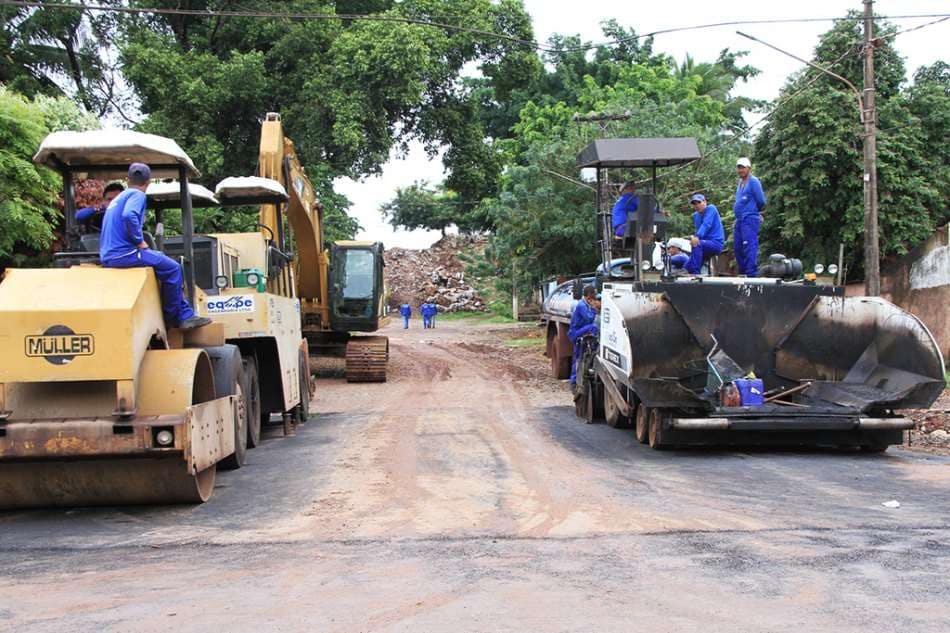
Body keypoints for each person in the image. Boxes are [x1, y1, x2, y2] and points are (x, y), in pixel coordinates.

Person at [99, 163, 210, 330]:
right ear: (149, 181)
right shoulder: (137, 195)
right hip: (123, 254)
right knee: (173, 268)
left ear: (128, 179)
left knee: (159, 258)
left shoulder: (117, 199)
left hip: (110, 254)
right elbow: (129, 216)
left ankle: (182, 313)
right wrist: (139, 241)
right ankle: (175, 318)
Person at [733, 157, 767, 276]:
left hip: (749, 219)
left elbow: (761, 200)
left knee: (749, 245)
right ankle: (743, 272)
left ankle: (751, 274)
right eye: (739, 167)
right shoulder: (740, 183)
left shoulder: (753, 181)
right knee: (737, 247)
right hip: (739, 220)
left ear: (749, 168)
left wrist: (754, 212)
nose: (740, 170)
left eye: (743, 167)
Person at [567, 285, 600, 386]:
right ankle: (595, 348)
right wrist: (595, 308)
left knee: (578, 356)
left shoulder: (585, 304)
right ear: (589, 296)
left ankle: (573, 380)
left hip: (578, 331)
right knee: (593, 327)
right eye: (593, 296)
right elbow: (588, 318)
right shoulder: (582, 305)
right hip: (575, 332)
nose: (594, 299)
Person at [687, 193, 725, 274]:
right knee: (687, 267)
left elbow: (706, 224)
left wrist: (697, 236)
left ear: (705, 202)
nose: (697, 206)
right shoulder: (696, 216)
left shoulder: (711, 209)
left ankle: (695, 274)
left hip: (715, 243)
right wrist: (693, 237)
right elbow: (698, 230)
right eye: (694, 204)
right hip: (704, 245)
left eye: (699, 202)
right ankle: (688, 273)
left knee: (697, 244)